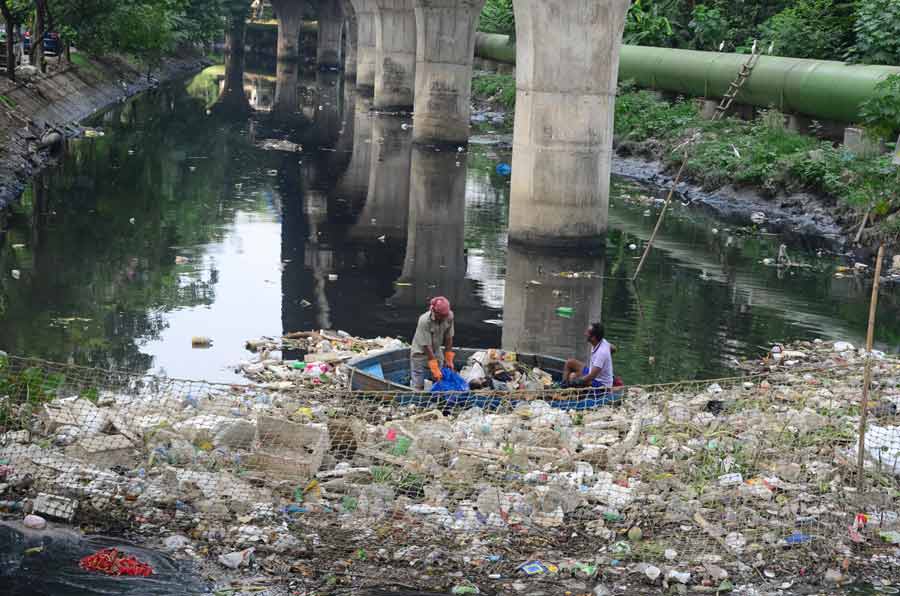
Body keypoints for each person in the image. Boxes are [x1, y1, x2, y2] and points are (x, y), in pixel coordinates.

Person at [410, 296, 455, 390]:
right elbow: (426, 346)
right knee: (418, 380)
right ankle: (417, 394)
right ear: (434, 311)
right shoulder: (424, 320)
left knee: (440, 377)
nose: (444, 318)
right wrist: (434, 367)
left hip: (436, 349)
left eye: (445, 316)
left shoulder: (449, 316)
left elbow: (449, 337)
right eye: (442, 316)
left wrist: (448, 358)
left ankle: (437, 394)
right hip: (421, 351)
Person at [564, 322, 614, 389]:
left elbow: (591, 376)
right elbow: (614, 348)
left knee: (572, 377)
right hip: (592, 372)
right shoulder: (603, 341)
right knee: (569, 362)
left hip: (601, 384)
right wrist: (606, 360)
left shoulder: (602, 353)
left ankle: (570, 391)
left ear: (593, 338)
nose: (585, 334)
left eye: (587, 333)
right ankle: (563, 386)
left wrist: (575, 381)